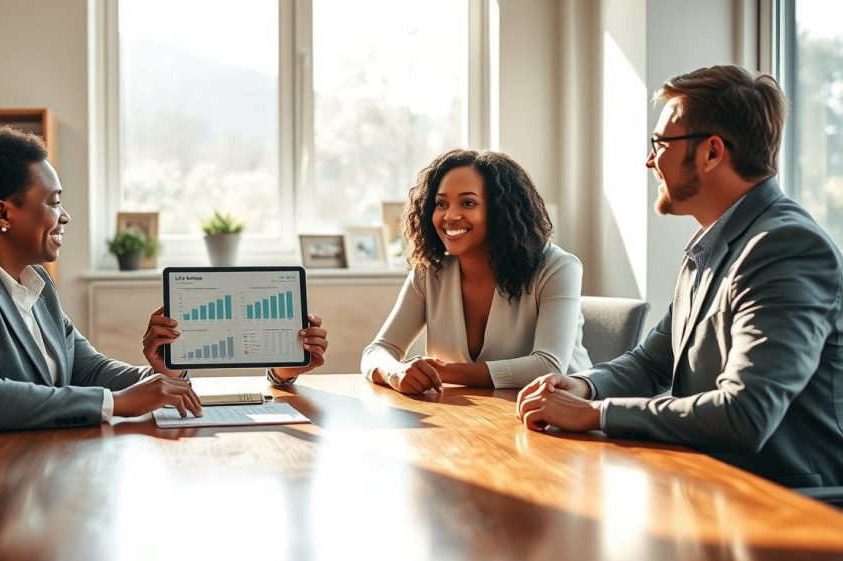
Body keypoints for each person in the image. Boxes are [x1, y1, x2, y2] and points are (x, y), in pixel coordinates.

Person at [0, 126, 328, 470]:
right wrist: (119, 403)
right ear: (2, 213)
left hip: (4, 466)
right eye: (53, 202)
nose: (64, 217)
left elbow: (85, 368)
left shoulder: (34, 280)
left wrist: (161, 371)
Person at [516, 65, 843, 488]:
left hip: (787, 506)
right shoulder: (712, 244)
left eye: (660, 143)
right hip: (706, 486)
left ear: (711, 152)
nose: (649, 160)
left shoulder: (786, 247)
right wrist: (583, 386)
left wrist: (597, 415)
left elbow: (747, 412)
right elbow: (651, 361)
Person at [361, 149, 591, 394]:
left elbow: (547, 366)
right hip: (471, 417)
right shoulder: (429, 272)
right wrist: (395, 372)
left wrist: (439, 372)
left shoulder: (558, 267)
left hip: (561, 417)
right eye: (441, 204)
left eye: (468, 203)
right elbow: (377, 351)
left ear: (502, 210)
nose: (450, 215)